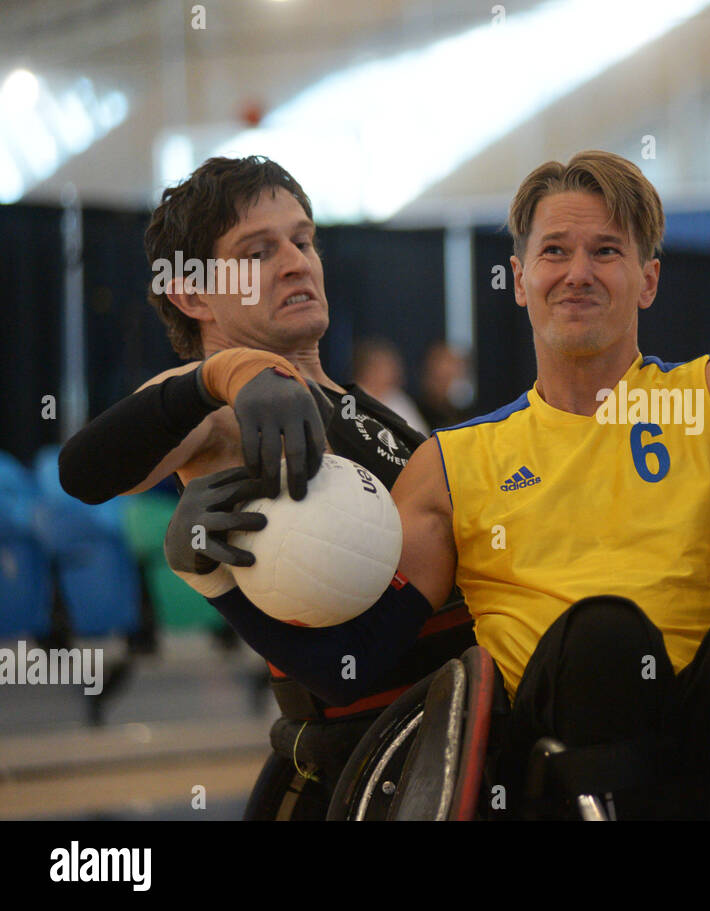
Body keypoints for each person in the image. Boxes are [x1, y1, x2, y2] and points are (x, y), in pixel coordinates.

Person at [179, 150, 710, 819]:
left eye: (606, 251)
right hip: (554, 762)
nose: (577, 271)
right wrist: (217, 582)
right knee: (603, 635)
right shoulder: (455, 462)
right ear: (519, 278)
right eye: (555, 251)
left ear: (648, 278)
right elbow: (352, 667)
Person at [58, 156, 473, 817]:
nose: (295, 262)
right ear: (193, 295)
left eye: (303, 240)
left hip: (454, 746)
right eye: (257, 252)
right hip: (367, 774)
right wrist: (219, 374)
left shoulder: (370, 405)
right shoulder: (218, 413)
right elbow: (83, 471)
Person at [353, 337, 431, 436]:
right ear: (370, 369)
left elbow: (422, 437)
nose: (397, 372)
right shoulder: (351, 399)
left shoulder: (398, 399)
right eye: (388, 367)